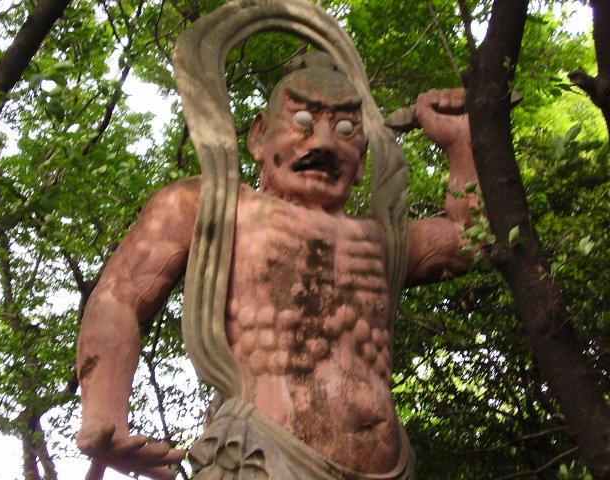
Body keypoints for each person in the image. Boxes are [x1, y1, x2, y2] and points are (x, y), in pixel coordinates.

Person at [76, 53, 479, 480]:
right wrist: (104, 413)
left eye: (345, 129)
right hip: (258, 458)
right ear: (259, 137)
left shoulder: (382, 241)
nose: (324, 144)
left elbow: (473, 240)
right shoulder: (212, 206)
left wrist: (461, 143)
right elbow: (119, 298)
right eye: (303, 120)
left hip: (389, 469)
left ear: (362, 160)